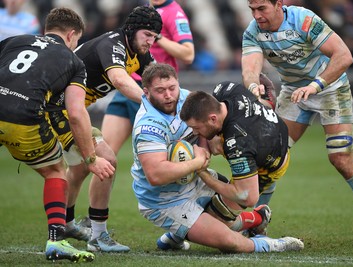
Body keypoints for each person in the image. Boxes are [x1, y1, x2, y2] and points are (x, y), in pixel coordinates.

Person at [240, 0, 353, 245]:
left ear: (279, 4)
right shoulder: (253, 31)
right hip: (294, 92)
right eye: (252, 9)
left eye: (261, 8)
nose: (256, 15)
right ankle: (255, 226)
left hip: (330, 88)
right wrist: (252, 85)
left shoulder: (304, 20)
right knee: (270, 156)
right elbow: (250, 67)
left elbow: (344, 55)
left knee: (341, 159)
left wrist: (315, 85)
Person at [131, 63, 304, 253]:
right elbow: (156, 175)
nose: (169, 95)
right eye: (160, 91)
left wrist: (209, 140)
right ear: (146, 92)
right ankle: (275, 244)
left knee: (222, 218)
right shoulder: (148, 127)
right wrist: (198, 164)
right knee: (231, 242)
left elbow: (210, 117)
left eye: (172, 88)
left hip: (193, 181)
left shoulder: (186, 99)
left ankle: (178, 234)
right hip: (166, 200)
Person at [0, 7, 115, 262]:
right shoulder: (73, 61)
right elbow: (75, 113)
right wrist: (91, 159)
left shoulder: (14, 41)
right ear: (72, 35)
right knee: (55, 171)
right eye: (77, 40)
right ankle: (56, 240)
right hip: (23, 116)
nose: (76, 45)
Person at [49, 6, 162, 253]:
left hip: (68, 111)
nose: (151, 42)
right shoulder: (113, 43)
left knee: (78, 171)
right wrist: (157, 104)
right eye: (147, 35)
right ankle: (98, 235)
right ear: (131, 30)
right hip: (58, 110)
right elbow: (121, 81)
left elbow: (160, 80)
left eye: (155, 37)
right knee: (107, 161)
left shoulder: (140, 53)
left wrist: (179, 99)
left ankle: (65, 224)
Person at [180, 81, 289, 234]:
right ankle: (267, 102)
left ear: (212, 119)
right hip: (267, 130)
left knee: (215, 225)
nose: (195, 132)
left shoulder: (238, 144)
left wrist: (202, 173)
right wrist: (207, 143)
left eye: (196, 128)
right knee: (211, 140)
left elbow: (247, 197)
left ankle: (259, 218)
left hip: (268, 166)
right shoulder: (225, 89)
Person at [102, 0, 194, 156]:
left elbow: (188, 54)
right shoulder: (146, 9)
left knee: (158, 156)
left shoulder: (175, 13)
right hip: (129, 84)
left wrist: (157, 36)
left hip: (155, 90)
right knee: (104, 155)